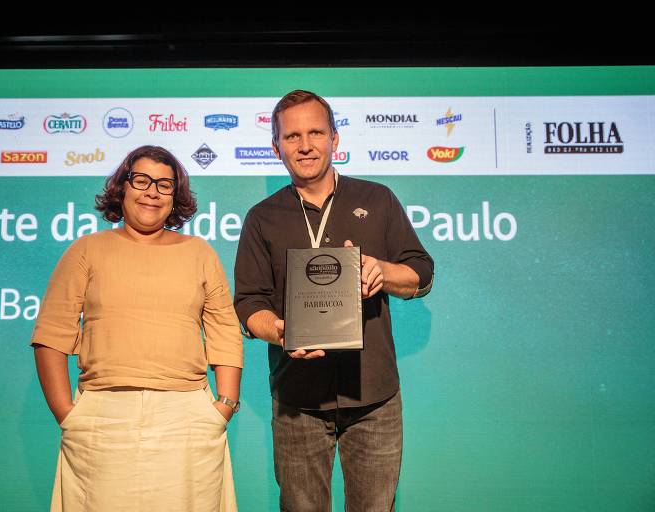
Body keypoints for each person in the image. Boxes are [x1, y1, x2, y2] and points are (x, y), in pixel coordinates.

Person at [234, 90, 434, 511]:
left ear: (335, 139)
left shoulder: (376, 200)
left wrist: (383, 270)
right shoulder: (261, 217)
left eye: (315, 132)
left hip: (374, 394)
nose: (305, 145)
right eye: (292, 137)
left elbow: (422, 271)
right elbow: (249, 303)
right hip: (297, 398)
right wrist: (281, 331)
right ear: (276, 147)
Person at [31, 145, 243, 512]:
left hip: (187, 419)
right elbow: (51, 334)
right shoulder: (86, 250)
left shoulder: (200, 253)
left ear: (175, 197)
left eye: (164, 185)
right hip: (103, 418)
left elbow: (225, 330)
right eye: (141, 180)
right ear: (122, 187)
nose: (152, 192)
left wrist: (223, 406)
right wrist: (67, 414)